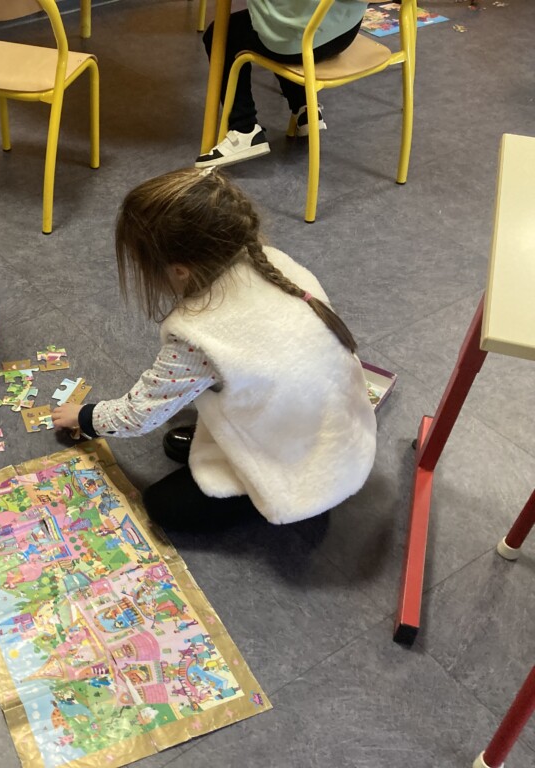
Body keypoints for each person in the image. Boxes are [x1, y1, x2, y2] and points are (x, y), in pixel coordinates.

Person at [51, 167, 376, 530]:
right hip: (342, 433)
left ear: (180, 271)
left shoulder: (196, 338)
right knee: (186, 450)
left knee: (161, 506)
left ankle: (264, 495)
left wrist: (84, 417)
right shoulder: (274, 262)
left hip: (309, 469)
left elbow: (140, 414)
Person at [195, 0, 368, 169]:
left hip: (295, 40)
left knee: (221, 34)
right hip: (344, 30)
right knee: (285, 14)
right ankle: (305, 109)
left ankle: (244, 128)